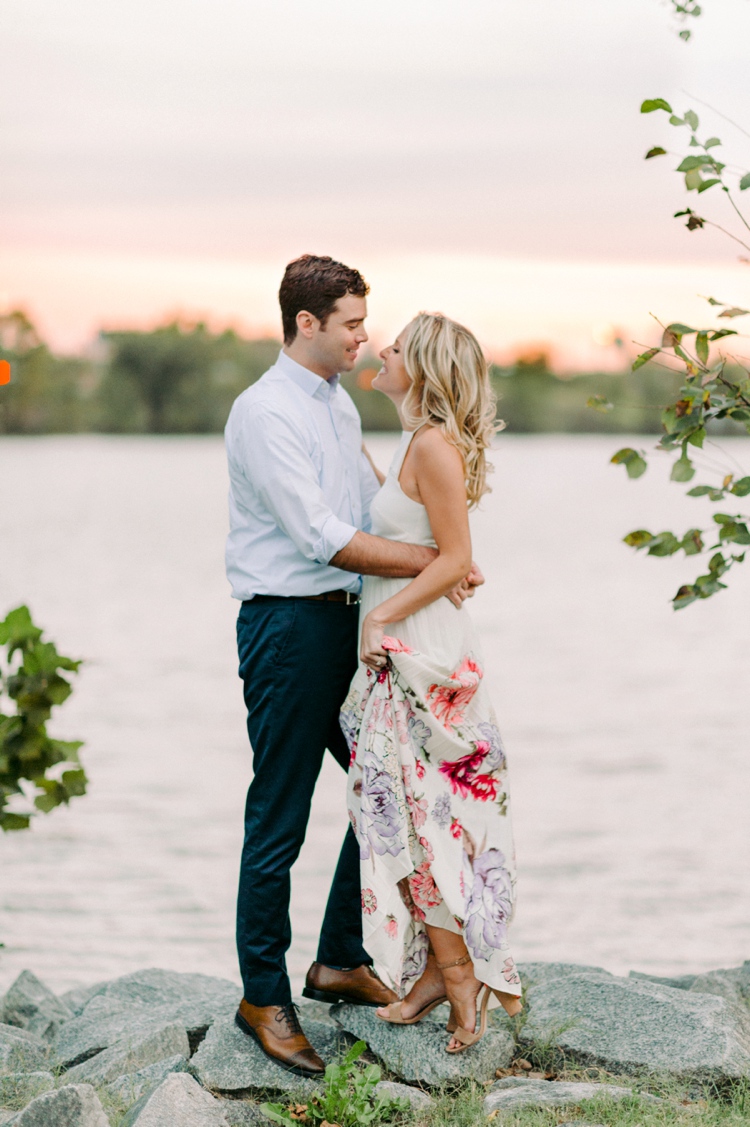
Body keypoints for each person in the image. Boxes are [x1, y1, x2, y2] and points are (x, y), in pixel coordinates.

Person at [224, 256, 483, 1076]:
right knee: (281, 810)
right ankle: (263, 994)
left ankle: (338, 955)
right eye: (350, 324)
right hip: (291, 628)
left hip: (354, 625)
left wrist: (432, 558)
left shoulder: (336, 404)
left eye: (367, 325)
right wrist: (434, 558)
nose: (364, 337)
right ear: (307, 324)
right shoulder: (265, 413)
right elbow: (322, 538)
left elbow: (368, 498)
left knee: (384, 786)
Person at [342, 312, 522, 1055]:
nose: (380, 349)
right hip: (409, 643)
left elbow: (453, 558)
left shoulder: (436, 446)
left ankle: (459, 983)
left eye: (396, 346)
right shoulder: (415, 443)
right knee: (407, 816)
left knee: (427, 815)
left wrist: (377, 615)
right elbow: (421, 536)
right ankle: (433, 973)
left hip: (425, 653)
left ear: (420, 368)